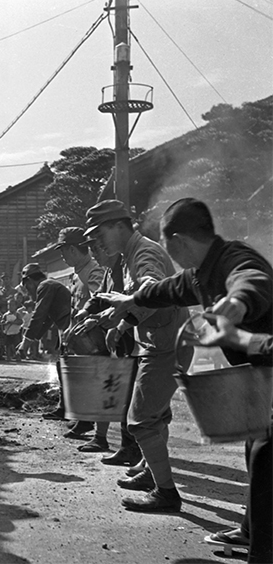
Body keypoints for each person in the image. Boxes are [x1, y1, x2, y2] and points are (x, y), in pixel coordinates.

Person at [99, 198, 272, 562]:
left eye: (166, 246)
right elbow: (168, 290)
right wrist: (131, 298)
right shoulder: (199, 273)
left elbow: (252, 280)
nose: (168, 254)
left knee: (266, 458)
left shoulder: (235, 260)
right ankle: (250, 530)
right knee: (254, 451)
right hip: (260, 376)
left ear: (177, 240)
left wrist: (237, 303)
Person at [84, 199, 191, 513]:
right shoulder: (130, 254)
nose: (98, 242)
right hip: (162, 341)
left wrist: (120, 318)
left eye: (100, 233)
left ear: (120, 225)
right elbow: (145, 302)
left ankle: (166, 493)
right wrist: (120, 324)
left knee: (141, 419)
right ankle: (150, 470)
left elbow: (151, 287)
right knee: (156, 416)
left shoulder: (143, 252)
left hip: (166, 346)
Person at [74, 241, 141, 466]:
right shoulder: (111, 272)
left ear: (108, 249)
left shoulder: (129, 269)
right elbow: (100, 297)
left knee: (129, 396)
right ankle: (111, 441)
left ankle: (131, 449)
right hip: (116, 338)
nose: (96, 258)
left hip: (132, 338)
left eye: (97, 252)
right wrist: (85, 311)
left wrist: (103, 321)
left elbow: (132, 305)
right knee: (113, 390)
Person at [51, 227, 106, 440]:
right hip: (78, 336)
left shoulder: (93, 270)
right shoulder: (77, 273)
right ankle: (83, 420)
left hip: (93, 337)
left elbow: (100, 300)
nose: (62, 256)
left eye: (63, 251)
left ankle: (96, 430)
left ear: (73, 249)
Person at [15, 263, 72, 396]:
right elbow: (46, 319)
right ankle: (64, 402)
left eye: (27, 288)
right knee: (64, 364)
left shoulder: (45, 285)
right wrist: (32, 339)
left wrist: (25, 343)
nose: (29, 293)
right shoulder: (50, 285)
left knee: (66, 365)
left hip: (68, 327)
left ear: (29, 281)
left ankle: (66, 403)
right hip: (66, 326)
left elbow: (39, 314)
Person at [2, 297, 23, 362]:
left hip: (16, 332)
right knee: (7, 345)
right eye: (9, 305)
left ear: (15, 306)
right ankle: (8, 356)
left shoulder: (17, 314)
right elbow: (2, 322)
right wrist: (6, 323)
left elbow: (21, 322)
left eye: (12, 305)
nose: (11, 306)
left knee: (16, 345)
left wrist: (13, 322)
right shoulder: (6, 314)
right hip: (8, 332)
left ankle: (18, 356)